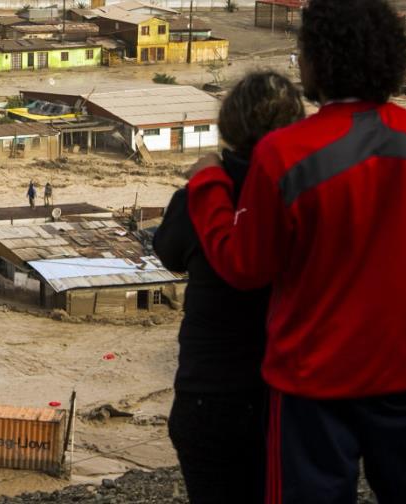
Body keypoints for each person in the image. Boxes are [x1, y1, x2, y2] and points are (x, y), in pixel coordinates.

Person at [187, 1, 406, 503]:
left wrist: (207, 184)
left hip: (310, 385)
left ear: (319, 60)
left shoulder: (286, 154)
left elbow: (245, 266)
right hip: (403, 375)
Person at [154, 71, 305, 504]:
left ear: (229, 129)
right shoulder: (311, 192)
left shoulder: (200, 196)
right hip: (290, 395)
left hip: (210, 395)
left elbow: (167, 251)